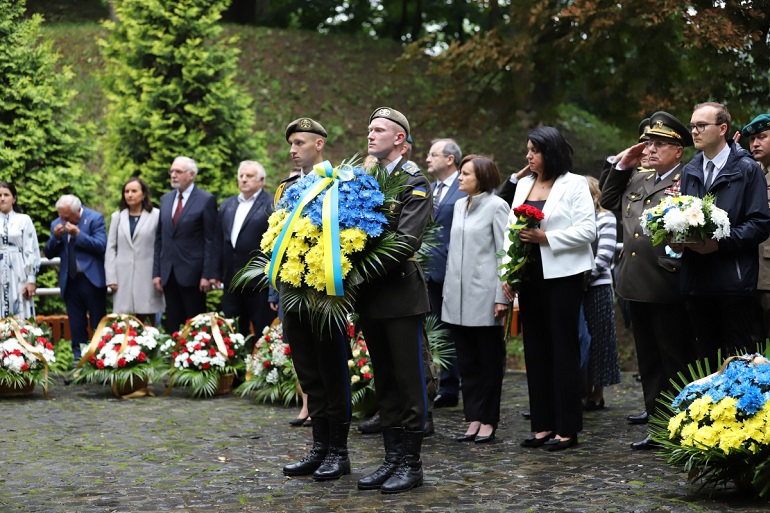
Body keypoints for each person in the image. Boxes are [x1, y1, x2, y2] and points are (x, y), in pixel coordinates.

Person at [601, 112, 698, 449]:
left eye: (660, 144)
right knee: (649, 362)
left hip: (667, 281)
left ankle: (683, 427)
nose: (650, 149)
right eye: (647, 143)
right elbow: (608, 201)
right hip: (633, 282)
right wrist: (621, 165)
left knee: (675, 359)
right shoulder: (638, 178)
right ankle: (658, 426)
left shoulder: (689, 178)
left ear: (678, 151)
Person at [503, 126, 595, 452]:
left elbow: (588, 230)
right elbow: (510, 230)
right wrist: (506, 272)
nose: (528, 156)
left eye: (534, 150)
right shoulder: (525, 184)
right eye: (527, 149)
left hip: (563, 276)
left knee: (563, 351)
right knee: (536, 351)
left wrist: (547, 238)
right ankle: (541, 426)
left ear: (550, 152)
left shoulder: (575, 184)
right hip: (528, 275)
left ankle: (567, 429)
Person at [356, 107, 432, 494]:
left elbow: (406, 241)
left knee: (408, 381)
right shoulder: (365, 179)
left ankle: (412, 463)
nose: (370, 135)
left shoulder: (414, 181)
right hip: (371, 297)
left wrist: (359, 271)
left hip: (400, 294)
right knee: (384, 381)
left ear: (399, 138)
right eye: (369, 129)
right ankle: (391, 459)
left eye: (379, 130)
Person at [276, 118, 352, 482]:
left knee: (332, 371)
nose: (293, 149)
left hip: (325, 296)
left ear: (319, 144)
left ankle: (339, 451)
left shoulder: (339, 184)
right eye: (291, 143)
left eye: (301, 142)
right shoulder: (285, 188)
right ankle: (319, 448)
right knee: (308, 373)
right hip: (293, 295)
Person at [674, 102, 770, 363]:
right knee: (705, 362)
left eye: (701, 125)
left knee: (739, 361)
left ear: (722, 129)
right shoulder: (690, 170)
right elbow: (684, 217)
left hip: (733, 282)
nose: (694, 131)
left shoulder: (747, 169)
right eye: (692, 126)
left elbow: (760, 223)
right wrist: (677, 239)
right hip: (696, 281)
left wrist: (720, 243)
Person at [441, 155, 509, 444]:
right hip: (456, 296)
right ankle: (473, 418)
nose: (460, 177)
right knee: (466, 362)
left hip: (484, 295)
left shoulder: (497, 206)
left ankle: (489, 419)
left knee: (489, 362)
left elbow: (505, 254)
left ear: (482, 176)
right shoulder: (459, 205)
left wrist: (501, 296)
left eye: (466, 173)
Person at [153, 156, 218, 333]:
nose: (173, 175)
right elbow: (160, 238)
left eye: (178, 172)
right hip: (169, 273)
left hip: (194, 275)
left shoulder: (205, 199)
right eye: (172, 171)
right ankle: (173, 358)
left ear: (191, 175)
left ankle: (195, 359)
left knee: (195, 325)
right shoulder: (166, 199)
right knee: (172, 323)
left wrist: (207, 274)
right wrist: (157, 272)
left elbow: (210, 240)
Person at [212, 161, 274, 342]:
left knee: (262, 330)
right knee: (232, 330)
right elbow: (218, 241)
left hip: (258, 282)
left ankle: (259, 368)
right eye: (241, 176)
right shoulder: (227, 205)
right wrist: (215, 272)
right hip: (232, 280)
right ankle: (236, 368)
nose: (244, 180)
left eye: (249, 176)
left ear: (261, 180)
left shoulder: (271, 203)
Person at [425, 138, 465, 410]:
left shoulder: (464, 188)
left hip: (453, 270)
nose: (427, 159)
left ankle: (451, 386)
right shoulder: (428, 189)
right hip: (424, 271)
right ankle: (434, 384)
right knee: (431, 329)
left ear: (450, 159)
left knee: (451, 330)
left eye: (433, 154)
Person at [44, 194, 107, 362]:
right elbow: (49, 253)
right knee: (76, 325)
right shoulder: (57, 224)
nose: (62, 220)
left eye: (66, 217)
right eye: (60, 215)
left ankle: (101, 361)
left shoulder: (95, 218)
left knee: (98, 324)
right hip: (70, 281)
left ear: (77, 212)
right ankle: (78, 363)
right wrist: (55, 238)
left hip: (92, 280)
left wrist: (78, 234)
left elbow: (101, 246)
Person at [582, 176, 620, 410]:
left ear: (596, 197)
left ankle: (597, 393)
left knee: (600, 339)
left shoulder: (606, 218)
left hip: (597, 287)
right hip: (574, 287)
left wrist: (584, 280)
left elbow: (604, 256)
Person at [105, 177, 164, 322]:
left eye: (134, 191)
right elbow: (111, 248)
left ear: (143, 195)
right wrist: (111, 277)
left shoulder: (156, 215)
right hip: (123, 277)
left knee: (148, 320)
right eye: (126, 191)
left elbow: (161, 246)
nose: (130, 194)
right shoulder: (117, 217)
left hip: (148, 275)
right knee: (124, 320)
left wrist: (160, 274)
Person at [740, 114, 770, 340]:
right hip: (749, 275)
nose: (755, 144)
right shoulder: (750, 173)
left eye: (762, 137)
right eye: (751, 140)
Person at [0, 182, 40, 319]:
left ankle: (21, 339)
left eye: (6, 195)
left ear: (14, 198)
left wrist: (31, 279)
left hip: (18, 271)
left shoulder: (24, 220)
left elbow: (31, 250)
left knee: (20, 309)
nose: (2, 198)